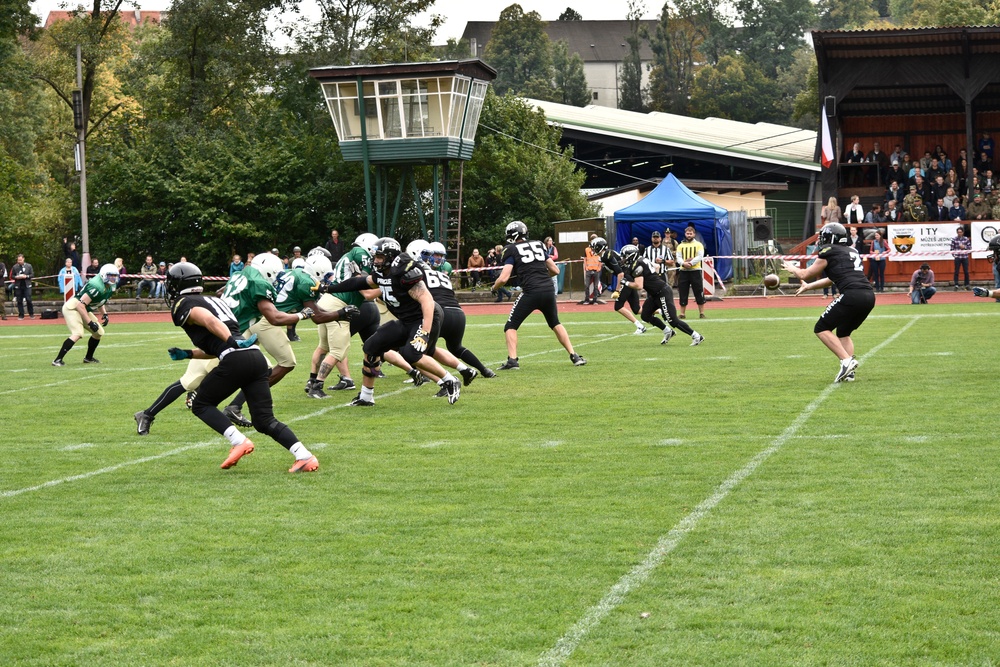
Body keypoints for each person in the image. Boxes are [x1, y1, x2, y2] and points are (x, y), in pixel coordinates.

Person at [152, 261, 320, 473]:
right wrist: (188, 354)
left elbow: (209, 321)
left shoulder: (183, 303)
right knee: (264, 420)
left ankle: (238, 441)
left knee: (201, 404)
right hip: (254, 357)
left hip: (235, 357)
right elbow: (217, 346)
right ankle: (304, 456)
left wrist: (231, 342)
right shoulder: (214, 300)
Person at [322, 237, 465, 405]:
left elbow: (427, 301)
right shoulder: (382, 274)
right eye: (375, 257)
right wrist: (328, 288)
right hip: (405, 321)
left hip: (422, 318)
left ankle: (450, 380)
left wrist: (425, 332)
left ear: (390, 257)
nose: (376, 261)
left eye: (380, 257)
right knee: (371, 346)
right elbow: (358, 282)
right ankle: (366, 397)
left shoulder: (404, 273)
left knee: (411, 354)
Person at [223, 253, 357, 415]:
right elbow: (317, 317)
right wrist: (341, 313)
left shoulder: (295, 274)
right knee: (286, 363)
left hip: (257, 317)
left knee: (232, 358)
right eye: (326, 275)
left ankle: (201, 394)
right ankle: (236, 405)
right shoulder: (306, 282)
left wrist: (338, 313)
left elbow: (317, 312)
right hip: (268, 319)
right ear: (318, 272)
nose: (328, 279)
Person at [782, 222, 875, 383]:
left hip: (852, 295)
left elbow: (805, 273)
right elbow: (831, 279)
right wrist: (808, 287)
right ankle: (850, 372)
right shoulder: (850, 250)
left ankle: (846, 361)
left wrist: (793, 269)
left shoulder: (829, 251)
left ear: (830, 238)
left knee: (821, 328)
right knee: (843, 332)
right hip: (868, 296)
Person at [491, 220, 586, 369]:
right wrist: (540, 277)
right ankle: (574, 356)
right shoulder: (539, 244)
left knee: (511, 325)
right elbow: (555, 270)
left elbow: (503, 278)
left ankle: (512, 360)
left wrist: (494, 288)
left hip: (531, 292)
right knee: (555, 322)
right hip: (548, 290)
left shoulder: (510, 249)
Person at [619, 243, 703, 346]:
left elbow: (639, 286)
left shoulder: (638, 265)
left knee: (672, 320)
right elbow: (657, 266)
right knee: (645, 315)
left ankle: (696, 336)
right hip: (655, 293)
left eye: (624, 256)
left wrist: (625, 283)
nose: (623, 259)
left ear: (631, 255)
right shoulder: (641, 260)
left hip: (662, 292)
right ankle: (668, 331)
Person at [52, 263, 118, 366]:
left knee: (98, 333)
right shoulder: (96, 286)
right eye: (111, 275)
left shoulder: (109, 286)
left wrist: (104, 314)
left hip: (83, 308)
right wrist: (90, 322)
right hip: (73, 307)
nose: (113, 278)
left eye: (114, 275)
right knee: (78, 333)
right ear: (104, 275)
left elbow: (100, 301)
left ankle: (88, 358)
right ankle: (57, 360)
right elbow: (80, 305)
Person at [591, 237, 645, 334]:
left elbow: (620, 274)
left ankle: (640, 326)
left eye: (594, 247)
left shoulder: (607, 255)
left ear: (599, 247)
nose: (593, 250)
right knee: (637, 309)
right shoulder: (606, 255)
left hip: (626, 279)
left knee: (618, 306)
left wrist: (617, 290)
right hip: (629, 278)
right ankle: (662, 312)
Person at [676, 226, 707, 319]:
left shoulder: (699, 245)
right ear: (685, 234)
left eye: (691, 233)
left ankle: (701, 313)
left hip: (695, 271)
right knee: (683, 292)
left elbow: (700, 256)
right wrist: (683, 263)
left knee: (698, 291)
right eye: (687, 233)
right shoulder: (680, 245)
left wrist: (690, 263)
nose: (689, 235)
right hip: (684, 271)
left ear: (694, 234)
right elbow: (678, 257)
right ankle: (682, 313)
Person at [580, 235, 603, 305]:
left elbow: (601, 259)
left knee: (596, 286)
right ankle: (587, 299)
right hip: (589, 269)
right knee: (587, 286)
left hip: (596, 270)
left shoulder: (600, 249)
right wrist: (586, 267)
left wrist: (599, 267)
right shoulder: (587, 249)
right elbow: (585, 259)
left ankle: (595, 300)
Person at [10, 253, 34, 320]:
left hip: (27, 285)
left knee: (28, 299)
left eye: (20, 260)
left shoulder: (29, 266)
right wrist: (17, 277)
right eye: (18, 260)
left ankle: (31, 313)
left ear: (23, 259)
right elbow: (12, 276)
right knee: (19, 300)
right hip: (18, 285)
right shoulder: (15, 267)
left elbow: (32, 275)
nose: (19, 261)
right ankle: (21, 315)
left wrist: (26, 276)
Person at [950, 225, 971, 290]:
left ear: (963, 232)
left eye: (960, 232)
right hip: (958, 257)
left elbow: (970, 248)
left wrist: (964, 247)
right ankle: (956, 285)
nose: (959, 233)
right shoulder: (954, 239)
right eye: (958, 232)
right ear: (957, 232)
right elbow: (952, 249)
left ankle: (967, 285)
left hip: (965, 257)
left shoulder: (966, 239)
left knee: (966, 271)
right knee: (956, 271)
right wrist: (955, 256)